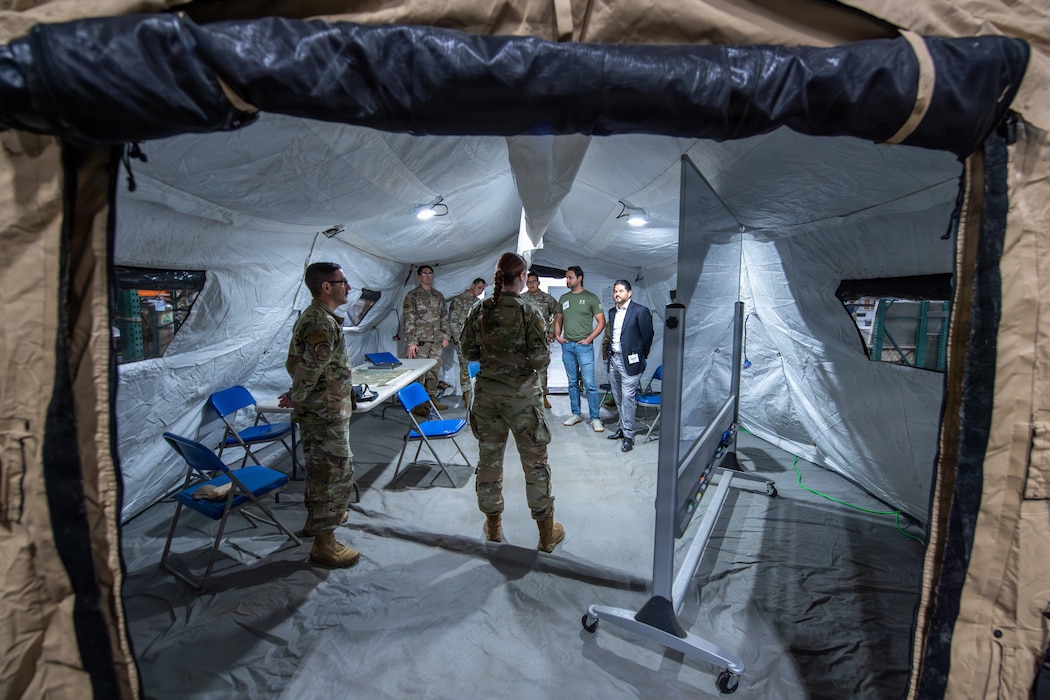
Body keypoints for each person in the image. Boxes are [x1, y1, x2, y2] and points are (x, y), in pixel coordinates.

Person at [461, 253, 565, 553]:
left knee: (489, 461)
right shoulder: (528, 312)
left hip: (488, 398)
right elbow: (541, 359)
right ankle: (546, 535)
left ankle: (493, 527)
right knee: (535, 464)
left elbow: (468, 352)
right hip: (522, 399)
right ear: (521, 277)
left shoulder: (479, 309)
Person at [281, 262, 360, 568]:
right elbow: (310, 368)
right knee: (332, 474)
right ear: (326, 287)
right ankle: (324, 544)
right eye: (343, 282)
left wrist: (297, 395)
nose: (348, 287)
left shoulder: (316, 317)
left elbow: (299, 364)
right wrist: (297, 395)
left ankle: (315, 523)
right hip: (326, 413)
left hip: (321, 409)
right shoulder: (321, 323)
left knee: (319, 470)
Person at [602, 280, 655, 452]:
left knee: (628, 398)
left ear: (629, 293)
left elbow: (648, 335)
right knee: (618, 397)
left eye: (620, 291)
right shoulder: (612, 312)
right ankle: (623, 427)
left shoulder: (640, 311)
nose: (617, 294)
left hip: (630, 361)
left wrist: (641, 355)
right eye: (615, 291)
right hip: (614, 359)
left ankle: (629, 435)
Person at [553, 265, 606, 432]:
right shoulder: (564, 298)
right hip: (567, 346)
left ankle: (595, 418)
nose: (567, 280)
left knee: (589, 384)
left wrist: (589, 339)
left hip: (584, 347)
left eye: (570, 277)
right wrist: (558, 335)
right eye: (566, 278)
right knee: (572, 383)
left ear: (579, 278)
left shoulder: (591, 298)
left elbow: (602, 322)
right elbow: (559, 320)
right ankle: (576, 413)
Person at [402, 264, 451, 414]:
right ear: (419, 276)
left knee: (433, 372)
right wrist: (411, 342)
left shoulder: (438, 295)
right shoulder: (412, 296)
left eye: (430, 273)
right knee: (419, 373)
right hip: (420, 342)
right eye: (424, 273)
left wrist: (446, 335)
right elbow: (409, 320)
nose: (428, 276)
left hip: (436, 341)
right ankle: (418, 404)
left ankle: (431, 400)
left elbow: (444, 317)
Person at [523, 271, 561, 409]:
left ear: (538, 283)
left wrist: (552, 331)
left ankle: (543, 397)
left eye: (533, 281)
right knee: (524, 369)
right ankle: (526, 398)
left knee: (541, 369)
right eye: (528, 282)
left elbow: (558, 313)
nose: (531, 284)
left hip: (541, 339)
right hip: (524, 340)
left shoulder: (547, 299)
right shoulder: (521, 299)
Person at [448, 277, 487, 406]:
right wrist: (458, 339)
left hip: (476, 341)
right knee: (465, 366)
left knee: (476, 366)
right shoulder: (459, 300)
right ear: (472, 286)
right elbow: (453, 321)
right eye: (479, 288)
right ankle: (466, 394)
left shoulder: (478, 303)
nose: (480, 291)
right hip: (463, 340)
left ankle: (475, 393)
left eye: (483, 289)